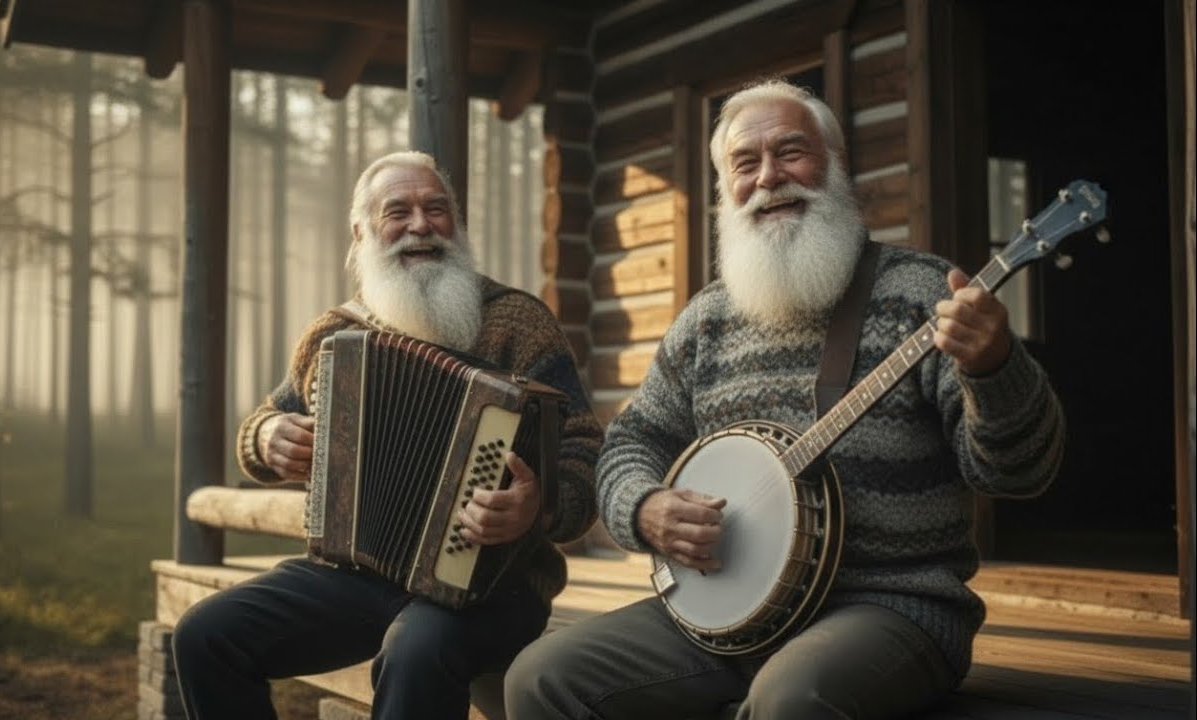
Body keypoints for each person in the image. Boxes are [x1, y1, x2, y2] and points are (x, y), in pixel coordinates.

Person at [504, 78, 1066, 719]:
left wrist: (996, 368)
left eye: (791, 152)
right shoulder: (706, 319)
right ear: (726, 189)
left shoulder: (922, 294)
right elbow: (633, 440)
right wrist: (646, 506)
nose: (769, 176)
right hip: (727, 612)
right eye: (746, 162)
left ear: (835, 166)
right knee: (540, 679)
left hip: (888, 606)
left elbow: (1020, 473)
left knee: (792, 702)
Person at [171, 151, 603, 720]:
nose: (420, 225)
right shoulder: (334, 333)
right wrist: (267, 437)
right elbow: (261, 424)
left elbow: (584, 450)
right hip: (350, 577)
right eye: (397, 211)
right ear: (362, 231)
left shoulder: (517, 322)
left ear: (456, 222)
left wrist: (539, 508)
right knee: (204, 635)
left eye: (436, 209)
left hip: (497, 583)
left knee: (416, 649)